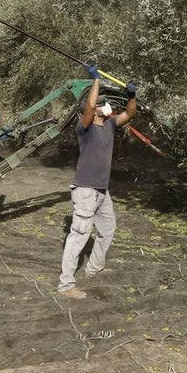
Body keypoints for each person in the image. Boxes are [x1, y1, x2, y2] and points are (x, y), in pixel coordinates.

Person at [57, 65, 137, 299]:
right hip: (85, 190)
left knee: (108, 229)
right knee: (79, 236)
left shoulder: (111, 126)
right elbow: (90, 106)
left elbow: (130, 113)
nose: (107, 106)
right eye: (103, 103)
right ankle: (65, 285)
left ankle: (94, 267)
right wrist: (96, 81)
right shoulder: (85, 128)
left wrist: (132, 95)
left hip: (102, 190)